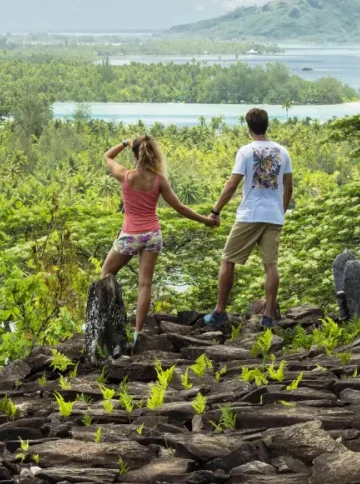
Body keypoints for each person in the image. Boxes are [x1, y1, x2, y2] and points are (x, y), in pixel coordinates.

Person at [102, 134, 218, 350]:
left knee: (105, 274)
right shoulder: (158, 180)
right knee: (145, 284)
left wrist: (124, 143)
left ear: (135, 155)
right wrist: (206, 220)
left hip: (130, 235)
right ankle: (137, 334)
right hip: (152, 235)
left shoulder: (125, 176)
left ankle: (105, 322)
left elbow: (107, 156)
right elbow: (181, 208)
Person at [203, 107, 292, 329]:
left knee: (228, 260)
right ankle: (269, 316)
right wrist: (280, 210)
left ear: (249, 128)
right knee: (271, 265)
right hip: (274, 216)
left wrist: (215, 211)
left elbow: (232, 184)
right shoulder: (283, 152)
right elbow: (288, 187)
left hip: (250, 214)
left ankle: (220, 312)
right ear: (266, 125)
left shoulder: (246, 151)